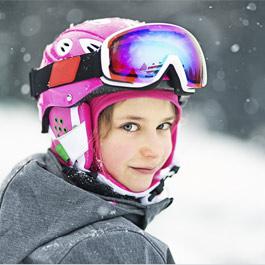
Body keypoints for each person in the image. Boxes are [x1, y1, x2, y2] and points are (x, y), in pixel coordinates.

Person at [0, 17, 207, 263]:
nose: (154, 150)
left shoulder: (17, 212)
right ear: (69, 126)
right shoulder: (120, 250)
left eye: (163, 126)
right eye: (130, 126)